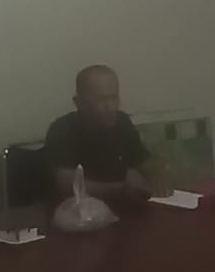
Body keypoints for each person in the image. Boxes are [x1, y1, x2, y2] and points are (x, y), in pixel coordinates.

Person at [44, 65, 171, 207]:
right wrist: (119, 190)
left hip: (121, 208)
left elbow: (142, 159)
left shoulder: (122, 122)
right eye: (101, 100)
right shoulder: (62, 129)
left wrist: (156, 171)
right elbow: (64, 183)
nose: (110, 107)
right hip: (79, 212)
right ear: (79, 103)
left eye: (114, 98)